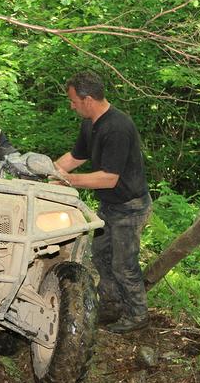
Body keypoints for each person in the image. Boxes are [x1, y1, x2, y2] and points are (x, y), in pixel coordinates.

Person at [53, 71, 152, 333]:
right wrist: (48, 174)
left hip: (130, 207)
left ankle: (138, 314)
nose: (71, 105)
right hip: (109, 206)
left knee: (123, 263)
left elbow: (109, 178)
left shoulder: (118, 127)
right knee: (100, 256)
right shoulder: (90, 124)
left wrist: (68, 182)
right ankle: (111, 304)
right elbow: (74, 158)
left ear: (87, 99)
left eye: (74, 101)